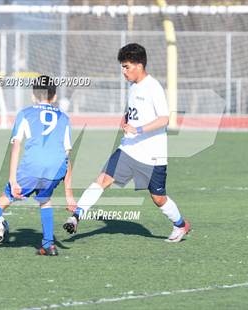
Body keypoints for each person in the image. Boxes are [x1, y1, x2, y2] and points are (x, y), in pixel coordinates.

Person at [63, 43, 191, 243]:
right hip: (128, 149)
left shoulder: (153, 87)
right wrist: (126, 118)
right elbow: (135, 110)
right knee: (102, 179)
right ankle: (76, 216)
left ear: (139, 65)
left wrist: (138, 129)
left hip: (152, 155)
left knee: (158, 198)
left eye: (126, 66)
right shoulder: (133, 86)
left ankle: (181, 225)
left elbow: (164, 119)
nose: (123, 71)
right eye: (122, 67)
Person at [0, 75, 76, 256]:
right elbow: (66, 156)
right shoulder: (64, 118)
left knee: (4, 200)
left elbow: (16, 147)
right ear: (54, 97)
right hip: (55, 170)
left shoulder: (25, 113)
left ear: (33, 96)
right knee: (45, 200)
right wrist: (69, 195)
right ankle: (48, 245)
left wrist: (13, 179)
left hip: (31, 168)